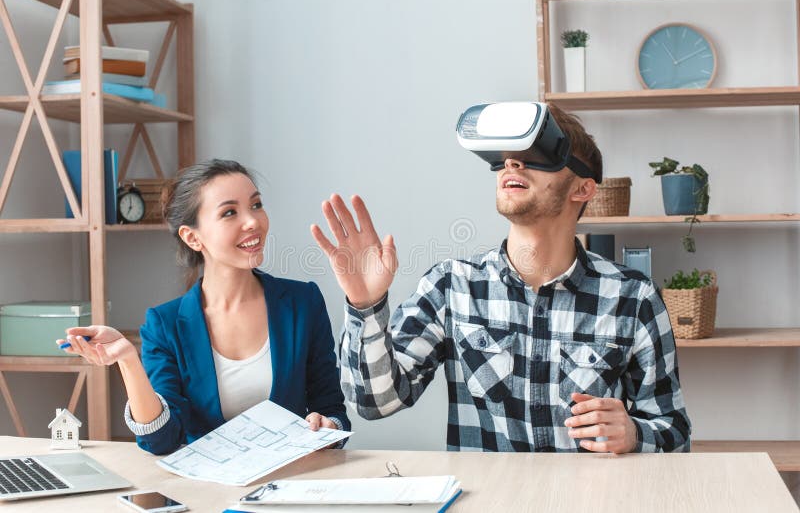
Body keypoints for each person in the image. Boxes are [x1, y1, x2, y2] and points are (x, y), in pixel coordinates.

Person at [311, 104, 690, 453]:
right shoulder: (451, 287)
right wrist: (366, 307)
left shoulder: (632, 297)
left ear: (583, 187)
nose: (512, 164)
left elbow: (675, 434)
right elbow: (373, 403)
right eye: (505, 157)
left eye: (536, 154)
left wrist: (635, 434)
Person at [59, 159, 349, 455]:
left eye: (256, 205)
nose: (252, 221)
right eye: (229, 212)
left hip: (289, 484)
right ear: (192, 237)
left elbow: (332, 409)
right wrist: (128, 360)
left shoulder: (303, 303)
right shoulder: (165, 324)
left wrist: (328, 427)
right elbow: (161, 441)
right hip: (208, 492)